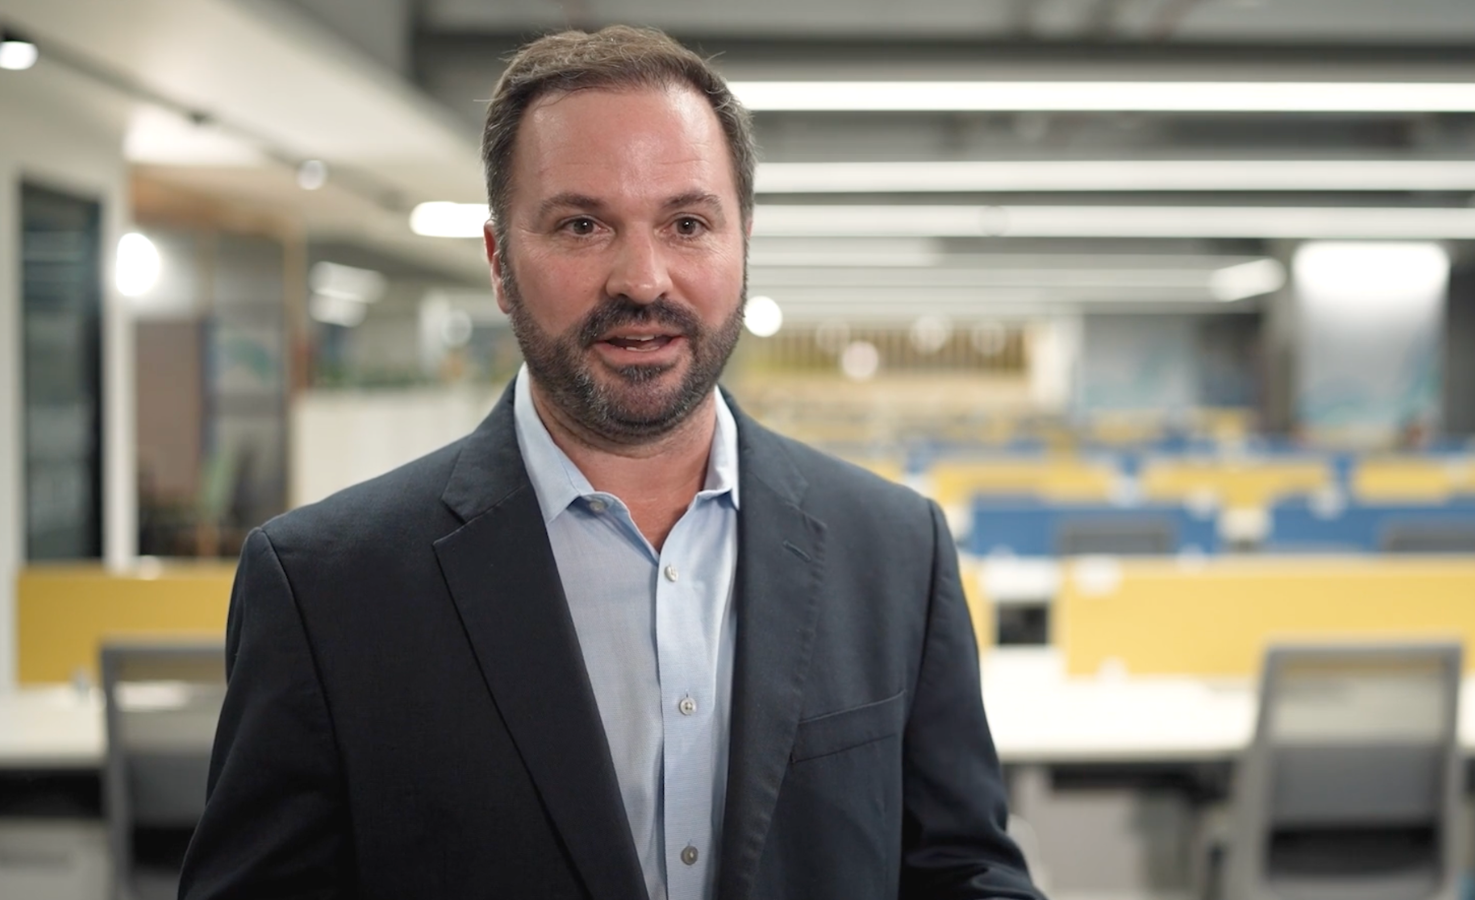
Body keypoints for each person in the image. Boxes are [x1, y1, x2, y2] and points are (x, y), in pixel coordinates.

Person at [178, 25, 1041, 900]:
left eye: (688, 224)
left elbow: (965, 873)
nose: (644, 279)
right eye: (582, 225)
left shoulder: (895, 551)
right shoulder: (327, 589)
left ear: (743, 244)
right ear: (500, 264)